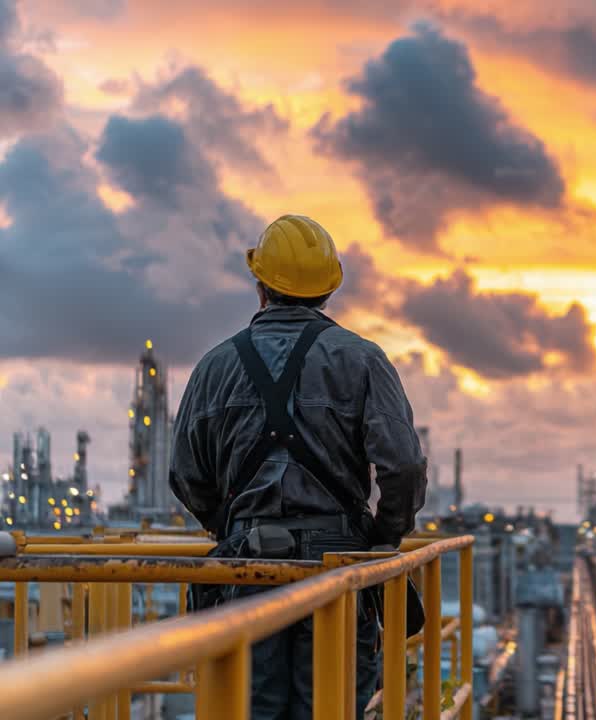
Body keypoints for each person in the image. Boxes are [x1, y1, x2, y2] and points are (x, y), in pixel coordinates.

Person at [170, 214, 428, 719]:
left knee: (248, 705)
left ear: (261, 285)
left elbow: (185, 474)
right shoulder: (363, 360)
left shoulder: (214, 367)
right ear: (329, 290)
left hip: (245, 564)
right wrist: (381, 539)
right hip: (336, 567)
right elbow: (402, 466)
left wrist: (231, 526)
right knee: (329, 706)